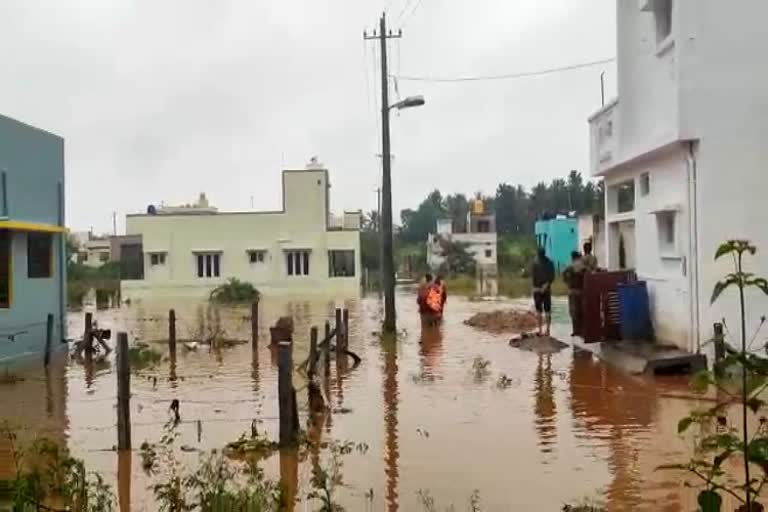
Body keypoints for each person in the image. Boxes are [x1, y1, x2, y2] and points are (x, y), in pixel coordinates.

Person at [531, 247, 555, 336]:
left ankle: (540, 330)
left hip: (537, 289)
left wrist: (538, 288)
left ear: (538, 253)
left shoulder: (534, 262)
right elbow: (552, 276)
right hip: (546, 289)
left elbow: (533, 277)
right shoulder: (550, 262)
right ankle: (547, 330)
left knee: (539, 310)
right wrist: (546, 285)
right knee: (547, 310)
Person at [562, 251, 585, 337]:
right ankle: (583, 330)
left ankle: (576, 331)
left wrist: (567, 282)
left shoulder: (570, 266)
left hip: (573, 290)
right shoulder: (583, 265)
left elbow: (563, 273)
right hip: (582, 290)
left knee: (574, 311)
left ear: (572, 257)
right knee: (582, 310)